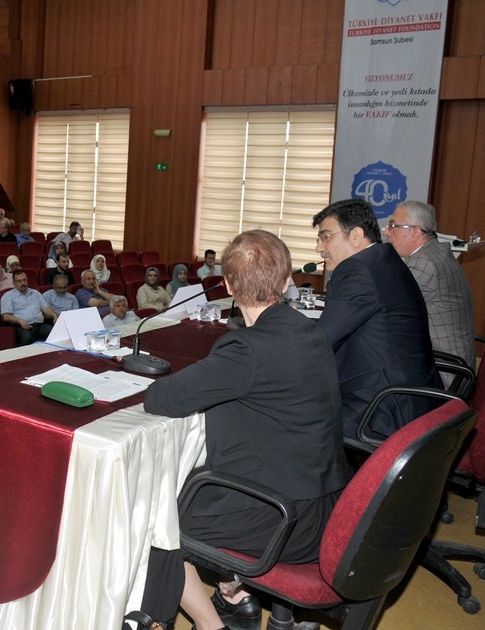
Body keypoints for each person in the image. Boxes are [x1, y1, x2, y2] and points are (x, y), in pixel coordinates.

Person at [132, 229, 350, 630]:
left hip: (280, 520)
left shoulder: (246, 351)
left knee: (148, 516)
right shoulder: (312, 332)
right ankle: (238, 593)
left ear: (229, 285)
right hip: (326, 507)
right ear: (288, 282)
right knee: (196, 483)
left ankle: (211, 624)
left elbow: (160, 399)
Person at [313, 198, 441, 439]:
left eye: (326, 236)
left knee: (292, 421)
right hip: (413, 397)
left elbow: (320, 342)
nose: (319, 248)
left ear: (356, 236)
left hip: (382, 407)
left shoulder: (357, 271)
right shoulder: (384, 261)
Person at [384, 200, 475, 374]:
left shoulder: (424, 263)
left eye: (393, 226)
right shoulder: (437, 251)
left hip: (443, 369)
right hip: (454, 360)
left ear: (416, 232)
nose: (387, 232)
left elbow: (385, 306)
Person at [0, 270, 51, 345]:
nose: (23, 283)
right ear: (14, 283)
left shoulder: (35, 293)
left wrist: (54, 315)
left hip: (40, 325)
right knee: (26, 339)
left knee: (55, 332)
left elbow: (46, 308)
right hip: (23, 327)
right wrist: (20, 321)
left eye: (24, 280)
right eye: (19, 281)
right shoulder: (8, 296)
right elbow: (6, 316)